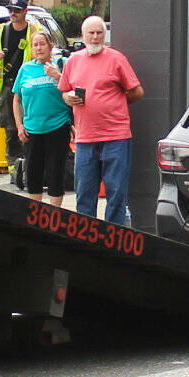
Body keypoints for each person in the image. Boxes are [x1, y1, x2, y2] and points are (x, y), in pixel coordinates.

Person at [61, 16, 144, 226]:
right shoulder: (73, 60)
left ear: (104, 35)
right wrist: (68, 98)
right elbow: (63, 91)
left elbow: (137, 91)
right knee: (85, 193)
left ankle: (113, 239)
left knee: (116, 192)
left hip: (116, 137)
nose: (96, 37)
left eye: (99, 32)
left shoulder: (117, 59)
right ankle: (86, 237)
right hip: (85, 137)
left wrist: (116, 104)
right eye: (91, 33)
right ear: (83, 35)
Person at [12, 26, 73, 208]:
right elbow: (16, 99)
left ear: (50, 46)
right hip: (32, 128)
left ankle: (55, 214)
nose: (39, 48)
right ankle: (37, 214)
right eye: (35, 45)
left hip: (58, 126)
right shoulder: (26, 69)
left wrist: (57, 75)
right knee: (33, 173)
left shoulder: (62, 64)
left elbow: (75, 89)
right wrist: (19, 125)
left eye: (42, 44)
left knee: (55, 172)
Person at [0, 0, 32, 189]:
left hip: (28, 87)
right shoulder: (0, 30)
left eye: (17, 10)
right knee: (10, 128)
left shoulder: (34, 31)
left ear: (25, 11)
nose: (13, 13)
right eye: (11, 10)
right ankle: (14, 171)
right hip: (8, 86)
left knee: (29, 127)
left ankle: (29, 166)